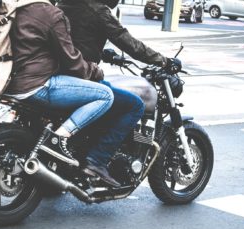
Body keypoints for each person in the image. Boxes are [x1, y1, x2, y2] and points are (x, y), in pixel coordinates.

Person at [57, 0, 169, 186]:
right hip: (83, 78)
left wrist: (103, 52)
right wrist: (163, 60)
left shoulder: (65, 4)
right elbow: (129, 43)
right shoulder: (98, 10)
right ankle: (98, 160)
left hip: (63, 75)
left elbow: (78, 38)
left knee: (111, 92)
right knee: (134, 105)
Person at [5, 1, 114, 168]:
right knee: (106, 95)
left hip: (9, 83)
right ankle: (58, 139)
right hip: (37, 84)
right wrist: (94, 71)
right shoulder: (51, 14)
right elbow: (72, 61)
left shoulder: (17, 8)